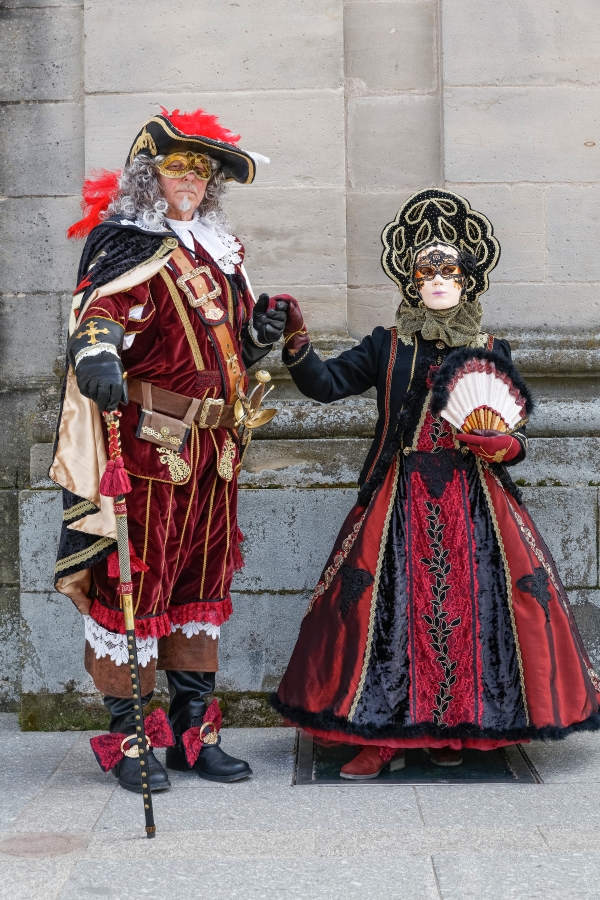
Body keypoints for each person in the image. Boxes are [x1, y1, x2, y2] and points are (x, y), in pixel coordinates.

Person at [271, 188, 600, 779]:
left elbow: (517, 434)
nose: (439, 281)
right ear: (411, 281)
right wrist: (297, 342)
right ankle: (382, 739)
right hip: (398, 498)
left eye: (450, 271)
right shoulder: (386, 344)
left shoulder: (492, 349)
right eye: (427, 272)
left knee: (473, 613)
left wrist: (501, 445)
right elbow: (324, 384)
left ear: (468, 281)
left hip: (475, 504)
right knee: (388, 615)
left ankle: (455, 729)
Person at [51, 107, 294, 791]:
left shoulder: (218, 251)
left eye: (200, 169)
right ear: (148, 175)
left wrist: (257, 336)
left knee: (200, 586)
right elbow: (98, 312)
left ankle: (194, 734)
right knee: (137, 585)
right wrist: (97, 355)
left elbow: (223, 345)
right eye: (176, 166)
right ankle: (133, 738)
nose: (189, 178)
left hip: (219, 449)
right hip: (152, 451)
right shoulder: (127, 242)